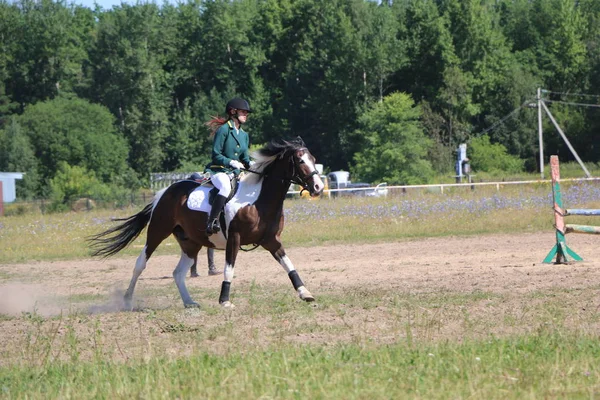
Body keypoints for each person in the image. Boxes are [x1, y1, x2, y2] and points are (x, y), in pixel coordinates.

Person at [204, 97, 252, 235]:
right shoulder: (224, 130)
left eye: (246, 112)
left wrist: (252, 164)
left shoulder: (244, 135)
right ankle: (211, 221)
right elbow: (216, 154)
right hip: (218, 171)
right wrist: (230, 162)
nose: (246, 115)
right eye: (243, 112)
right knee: (225, 187)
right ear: (233, 112)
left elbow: (245, 158)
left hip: (236, 173)